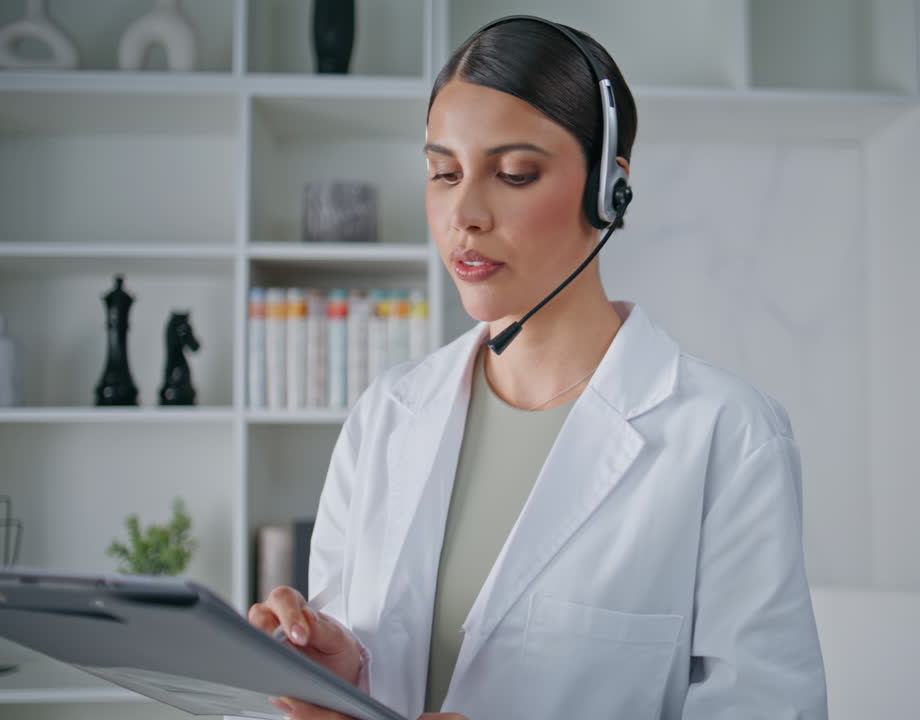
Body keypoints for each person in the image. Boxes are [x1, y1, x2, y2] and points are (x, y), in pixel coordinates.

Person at [248, 15, 826, 720]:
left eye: (514, 173)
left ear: (609, 191)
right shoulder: (385, 415)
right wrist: (341, 675)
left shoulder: (728, 436)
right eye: (443, 173)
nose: (465, 213)